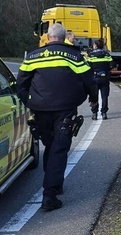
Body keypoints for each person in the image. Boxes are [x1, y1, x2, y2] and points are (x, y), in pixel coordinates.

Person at [16, 23, 97, 211]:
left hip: (40, 110)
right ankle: (50, 195)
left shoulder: (33, 56)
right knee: (59, 149)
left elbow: (21, 83)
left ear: (48, 37)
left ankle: (55, 184)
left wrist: (28, 101)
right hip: (65, 109)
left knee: (51, 146)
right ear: (63, 37)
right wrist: (93, 100)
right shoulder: (74, 56)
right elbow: (89, 81)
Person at [86, 38, 114, 120]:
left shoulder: (91, 55)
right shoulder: (107, 54)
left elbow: (87, 66)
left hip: (94, 78)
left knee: (94, 96)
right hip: (105, 78)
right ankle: (104, 113)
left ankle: (94, 113)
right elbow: (112, 64)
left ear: (96, 45)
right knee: (104, 96)